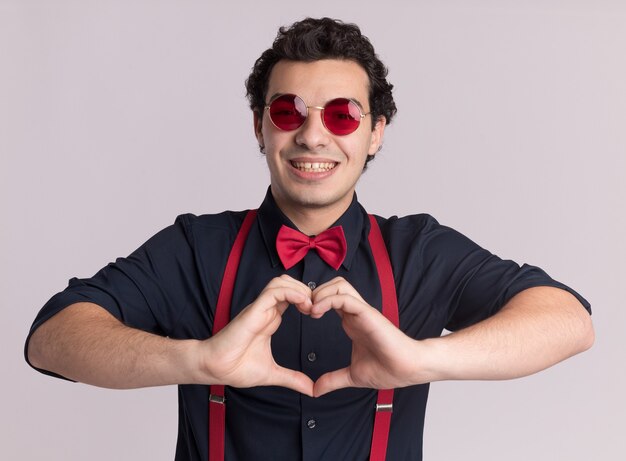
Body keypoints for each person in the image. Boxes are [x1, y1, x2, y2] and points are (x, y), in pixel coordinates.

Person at [25, 17, 594, 461]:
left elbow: (569, 321)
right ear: (260, 126)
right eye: (287, 110)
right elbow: (50, 339)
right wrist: (198, 360)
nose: (313, 134)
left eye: (343, 114)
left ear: (375, 134)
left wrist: (422, 358)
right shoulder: (197, 247)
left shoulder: (418, 251)